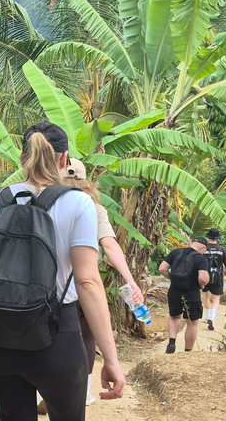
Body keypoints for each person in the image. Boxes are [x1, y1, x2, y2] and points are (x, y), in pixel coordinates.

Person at [0, 122, 125, 421]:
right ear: (65, 160)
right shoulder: (79, 204)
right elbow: (87, 282)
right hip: (55, 341)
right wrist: (111, 359)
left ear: (23, 158)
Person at [59, 158, 144, 407]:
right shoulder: (93, 208)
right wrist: (131, 280)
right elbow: (109, 244)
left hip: (47, 285)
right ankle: (83, 390)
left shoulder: (43, 201)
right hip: (83, 285)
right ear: (86, 181)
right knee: (86, 335)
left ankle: (42, 390)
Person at [159, 237, 210, 353]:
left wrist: (173, 279)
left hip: (174, 291)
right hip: (192, 292)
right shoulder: (201, 258)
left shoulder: (176, 252)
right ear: (202, 247)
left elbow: (162, 269)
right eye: (204, 250)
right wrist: (201, 285)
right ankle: (188, 351)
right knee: (192, 322)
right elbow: (203, 278)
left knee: (175, 317)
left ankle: (172, 342)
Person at [201, 228, 226, 330]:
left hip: (205, 276)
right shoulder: (222, 249)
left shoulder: (204, 249)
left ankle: (207, 317)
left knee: (206, 296)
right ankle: (213, 318)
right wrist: (225, 272)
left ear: (208, 237)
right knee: (216, 298)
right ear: (217, 238)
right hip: (217, 276)